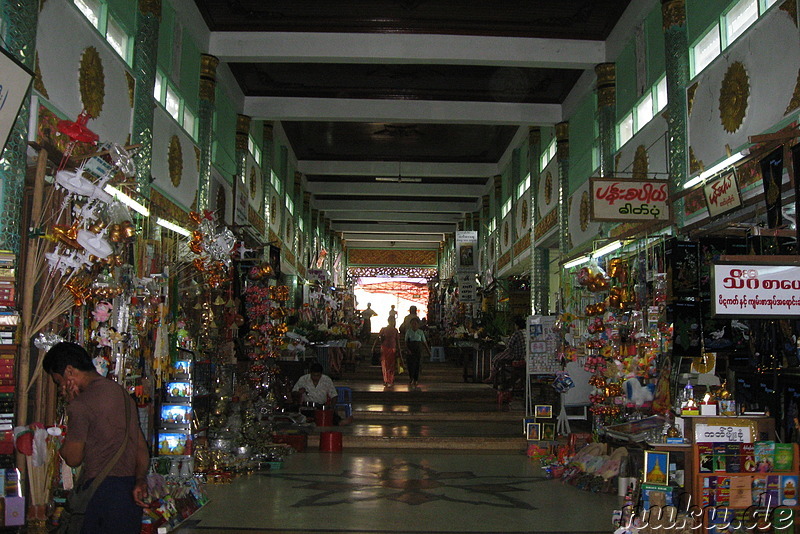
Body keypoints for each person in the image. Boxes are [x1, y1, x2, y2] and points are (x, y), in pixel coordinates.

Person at [43, 342, 149, 533]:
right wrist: (140, 479)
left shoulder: (80, 405)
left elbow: (73, 458)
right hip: (129, 492)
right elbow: (141, 447)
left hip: (101, 496)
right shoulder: (122, 394)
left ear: (69, 371)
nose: (60, 389)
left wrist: (59, 444)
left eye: (58, 382)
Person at [483, 316, 527, 384]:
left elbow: (509, 345)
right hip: (525, 356)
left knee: (496, 359)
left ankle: (492, 377)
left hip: (516, 355)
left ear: (517, 326)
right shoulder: (526, 333)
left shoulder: (517, 333)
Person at [374, 318, 400, 387]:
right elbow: (378, 338)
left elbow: (397, 341)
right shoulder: (392, 330)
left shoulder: (389, 330)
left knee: (388, 365)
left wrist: (374, 347)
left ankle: (389, 380)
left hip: (390, 348)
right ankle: (388, 380)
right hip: (387, 348)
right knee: (387, 365)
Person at [404, 317, 429, 388]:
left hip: (418, 349)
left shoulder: (420, 332)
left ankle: (416, 379)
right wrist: (407, 349)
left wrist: (428, 351)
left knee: (418, 364)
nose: (414, 325)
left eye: (415, 323)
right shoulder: (408, 331)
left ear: (418, 324)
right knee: (410, 364)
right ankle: (411, 378)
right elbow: (406, 342)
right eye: (412, 324)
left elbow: (424, 342)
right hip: (411, 349)